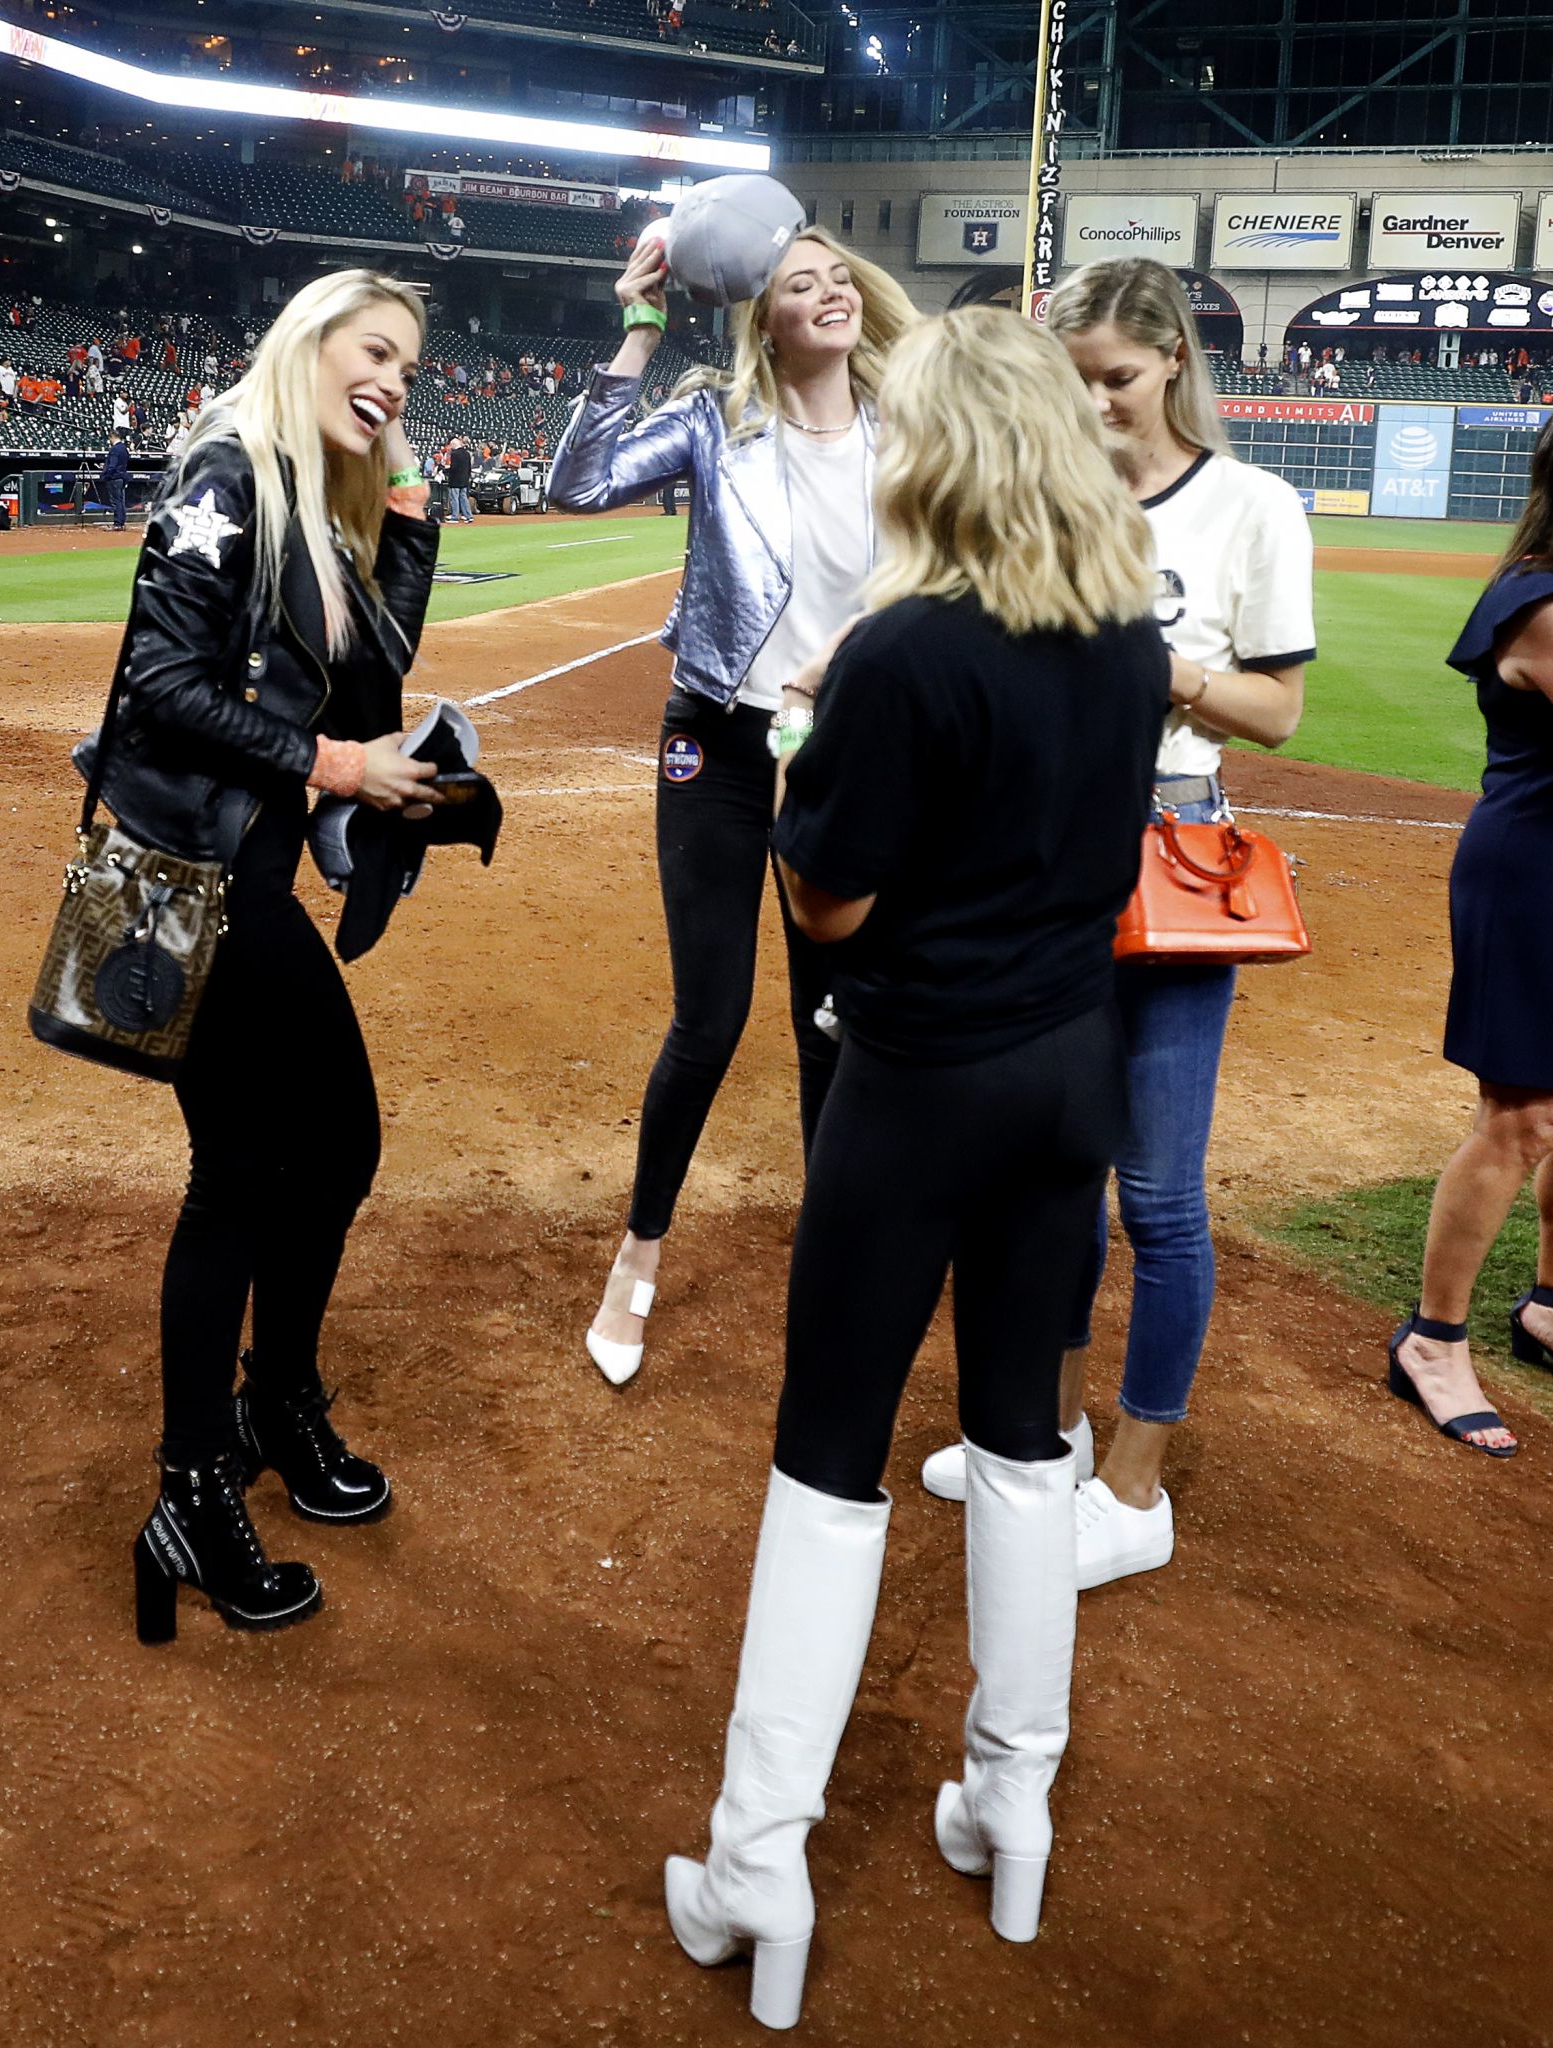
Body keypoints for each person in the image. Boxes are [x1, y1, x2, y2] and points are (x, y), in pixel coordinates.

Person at [663, 308, 1170, 2025]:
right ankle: (1009, 1799)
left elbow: (832, 903)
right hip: (1068, 1080)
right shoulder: (1124, 632)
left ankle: (759, 1863)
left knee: (829, 1455)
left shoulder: (904, 650)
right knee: (1026, 1434)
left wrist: (816, 746)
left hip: (920, 1085)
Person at [919, 258, 1316, 1587]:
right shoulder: (1037, 499)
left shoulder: (1251, 504)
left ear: (1170, 367)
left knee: (1154, 1192)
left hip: (1167, 854)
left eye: (1118, 380)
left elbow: (1274, 712)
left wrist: (1170, 674)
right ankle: (1054, 1435)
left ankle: (1135, 1489)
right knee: (1052, 1174)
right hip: (1037, 855)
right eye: (1073, 380)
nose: (1095, 405)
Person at [99, 270, 447, 1640]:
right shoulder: (224, 469)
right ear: (310, 344)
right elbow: (159, 683)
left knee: (312, 1152)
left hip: (234, 872)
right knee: (256, 1168)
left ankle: (268, 1412)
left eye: (412, 369)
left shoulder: (315, 503)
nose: (397, 381)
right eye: (377, 354)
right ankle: (201, 1477)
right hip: (180, 872)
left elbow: (381, 662)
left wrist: (404, 494)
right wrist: (332, 764)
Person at [549, 222, 915, 1387]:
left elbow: (951, 572)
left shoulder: (911, 430)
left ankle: (838, 1265)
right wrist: (640, 323)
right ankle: (638, 1257)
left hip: (847, 745)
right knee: (708, 1019)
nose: (828, 290)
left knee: (833, 1021)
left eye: (838, 274)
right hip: (719, 736)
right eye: (798, 281)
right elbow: (576, 481)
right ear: (761, 316)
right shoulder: (718, 420)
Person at [1386, 429, 1553, 1458]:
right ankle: (1432, 1340)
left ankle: (1545, 1308)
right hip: (1534, 875)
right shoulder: (1537, 601)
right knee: (1521, 1119)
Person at [98, 430, 130, 530]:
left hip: (115, 478)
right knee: (121, 501)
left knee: (116, 502)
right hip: (122, 477)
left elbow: (113, 465)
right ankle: (121, 523)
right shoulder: (124, 448)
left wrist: (106, 475)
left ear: (112, 437)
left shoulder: (115, 449)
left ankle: (117, 524)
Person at [445, 434, 474, 522]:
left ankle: (455, 516)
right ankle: (468, 516)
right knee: (464, 498)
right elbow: (469, 468)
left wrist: (446, 470)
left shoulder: (455, 454)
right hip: (464, 480)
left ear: (453, 445)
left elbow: (454, 468)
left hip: (455, 480)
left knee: (454, 498)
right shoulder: (467, 454)